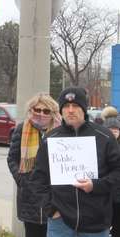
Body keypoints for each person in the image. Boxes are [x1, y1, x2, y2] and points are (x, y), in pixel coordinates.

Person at [30, 87, 120, 237]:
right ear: (61, 110)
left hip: (96, 222)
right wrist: (51, 209)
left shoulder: (104, 136)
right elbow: (38, 178)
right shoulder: (51, 138)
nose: (70, 110)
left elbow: (117, 172)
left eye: (76, 106)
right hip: (60, 222)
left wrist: (95, 185)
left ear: (84, 109)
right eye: (66, 106)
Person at [7, 93, 61, 237]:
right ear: (31, 110)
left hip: (54, 196)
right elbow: (12, 158)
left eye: (46, 111)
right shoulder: (21, 129)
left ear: (53, 113)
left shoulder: (60, 131)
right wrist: (21, 179)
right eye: (37, 110)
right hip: (30, 197)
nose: (41, 114)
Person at [101, 106, 120, 237]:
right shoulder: (100, 145)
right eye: (110, 130)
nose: (114, 132)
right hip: (105, 193)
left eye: (116, 130)